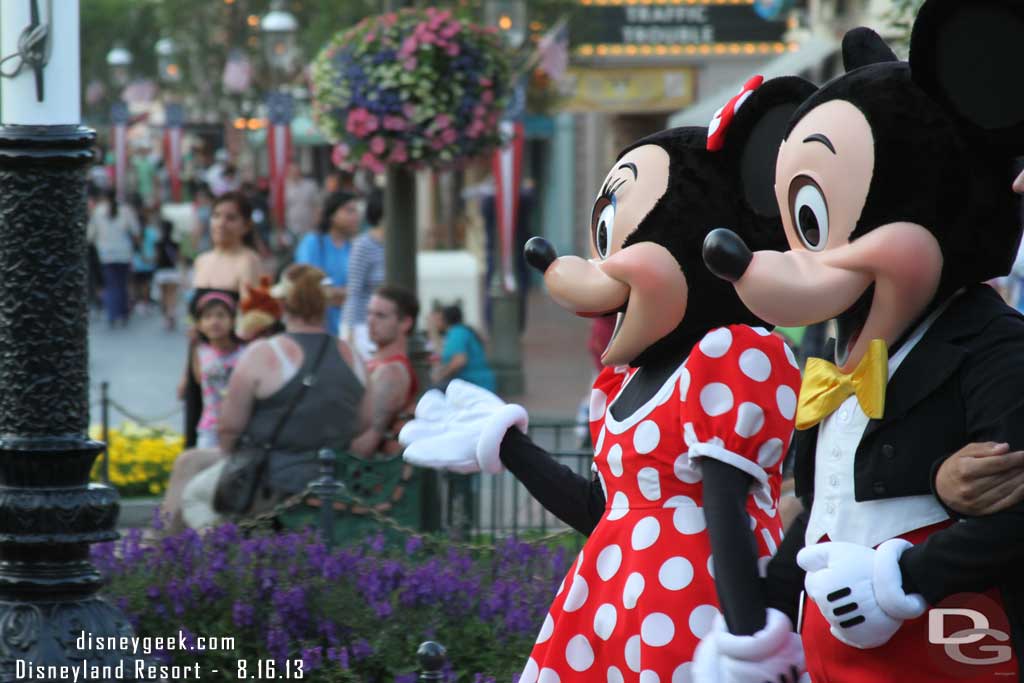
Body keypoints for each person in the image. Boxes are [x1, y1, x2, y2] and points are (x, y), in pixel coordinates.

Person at [171, 264, 367, 531]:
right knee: (191, 462)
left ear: (283, 304)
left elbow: (228, 429)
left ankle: (226, 555)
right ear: (323, 305)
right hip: (333, 475)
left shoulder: (264, 353)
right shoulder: (354, 356)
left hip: (272, 479)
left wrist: (235, 458)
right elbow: (363, 424)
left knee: (194, 496)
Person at [181, 191, 263, 448]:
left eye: (231, 218)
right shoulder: (202, 261)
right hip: (200, 360)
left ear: (245, 225)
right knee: (197, 428)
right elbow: (194, 320)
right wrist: (187, 371)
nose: (221, 224)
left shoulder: (248, 261)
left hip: (231, 363)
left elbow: (254, 319)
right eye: (216, 216)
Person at [350, 285, 419, 457]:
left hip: (365, 476)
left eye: (380, 315)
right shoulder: (377, 364)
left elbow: (367, 441)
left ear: (405, 323)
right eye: (369, 313)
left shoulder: (392, 372)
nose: (370, 321)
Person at [294, 190, 360, 335]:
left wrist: (335, 294)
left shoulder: (354, 247)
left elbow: (359, 292)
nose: (356, 216)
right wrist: (338, 294)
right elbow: (309, 287)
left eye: (356, 211)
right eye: (349, 210)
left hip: (348, 330)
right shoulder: (313, 243)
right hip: (318, 329)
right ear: (332, 214)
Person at [191, 293, 244, 450]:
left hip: (241, 426)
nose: (214, 322)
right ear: (199, 324)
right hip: (210, 427)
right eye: (207, 317)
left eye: (221, 316)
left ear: (233, 321)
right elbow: (199, 379)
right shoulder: (200, 351)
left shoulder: (246, 352)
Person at [340, 189, 386, 360]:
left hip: (385, 325)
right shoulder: (363, 245)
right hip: (362, 326)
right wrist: (350, 334)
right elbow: (354, 291)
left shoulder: (394, 245)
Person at [87, 186, 140, 328]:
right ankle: (123, 312)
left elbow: (90, 235)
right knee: (122, 284)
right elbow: (135, 230)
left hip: (106, 255)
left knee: (111, 284)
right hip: (124, 253)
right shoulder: (126, 210)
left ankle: (113, 313)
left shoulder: (98, 211)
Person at [429, 304, 496, 392]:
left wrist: (440, 376)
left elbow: (459, 361)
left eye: (437, 320)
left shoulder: (457, 332)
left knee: (432, 392)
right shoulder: (459, 331)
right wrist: (433, 333)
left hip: (474, 384)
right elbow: (441, 354)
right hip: (473, 383)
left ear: (444, 320)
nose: (435, 323)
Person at [131, 205, 161, 314]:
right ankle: (145, 302)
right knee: (146, 284)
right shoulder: (152, 232)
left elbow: (134, 246)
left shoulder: (136, 233)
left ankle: (140, 303)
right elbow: (157, 246)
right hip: (150, 261)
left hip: (138, 262)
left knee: (138, 284)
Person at [153, 219, 181, 331]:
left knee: (163, 296)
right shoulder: (175, 243)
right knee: (172, 296)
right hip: (172, 272)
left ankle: (166, 317)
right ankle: (171, 315)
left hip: (161, 272)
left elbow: (156, 258)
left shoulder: (158, 244)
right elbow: (178, 259)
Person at [285, 163, 321, 237]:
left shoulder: (310, 185)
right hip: (290, 227)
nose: (294, 173)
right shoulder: (284, 187)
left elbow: (317, 205)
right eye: (292, 171)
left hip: (308, 226)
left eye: (296, 171)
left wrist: (316, 222)